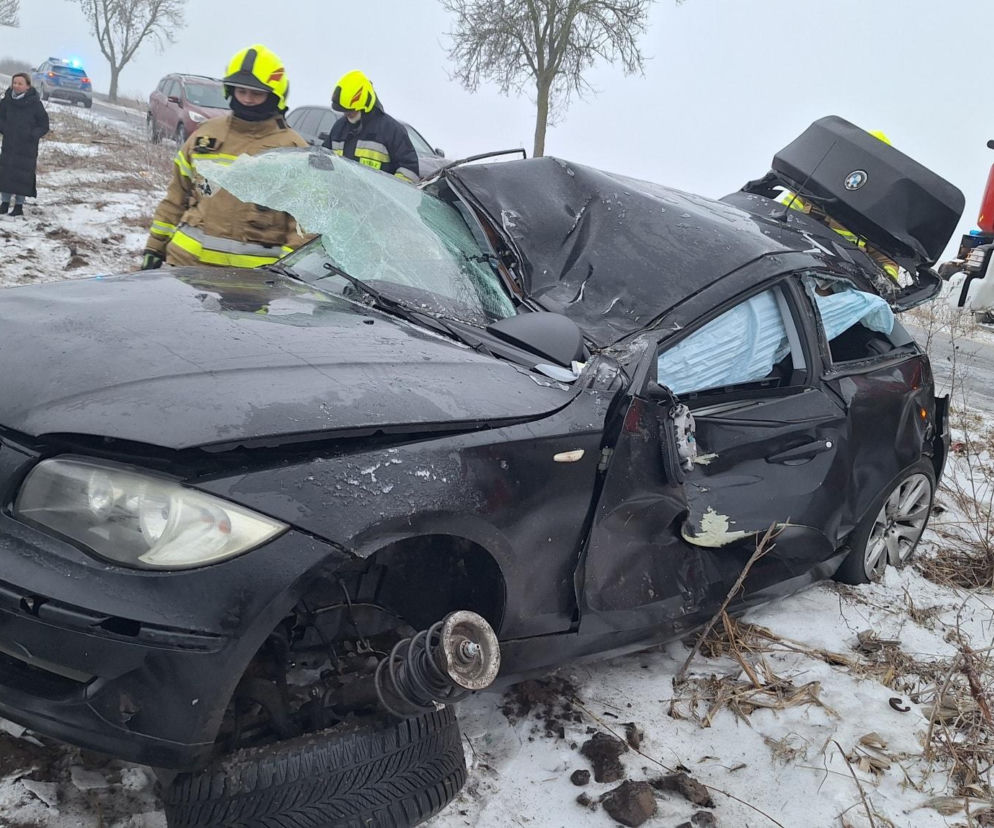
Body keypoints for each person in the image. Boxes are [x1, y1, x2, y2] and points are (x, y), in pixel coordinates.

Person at [141, 44, 307, 270]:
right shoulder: (206, 135)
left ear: (273, 95)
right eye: (241, 91)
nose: (247, 99)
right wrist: (154, 247)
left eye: (257, 93)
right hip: (185, 269)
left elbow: (304, 224)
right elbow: (176, 197)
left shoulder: (294, 150)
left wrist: (288, 272)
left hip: (249, 285)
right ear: (231, 91)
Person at [783, 129, 900, 281]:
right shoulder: (817, 182)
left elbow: (887, 261)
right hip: (790, 258)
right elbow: (782, 211)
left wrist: (882, 285)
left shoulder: (879, 212)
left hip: (833, 279)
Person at [322, 71, 419, 183]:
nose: (346, 114)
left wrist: (390, 193)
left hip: (378, 200)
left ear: (365, 105)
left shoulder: (391, 131)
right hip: (343, 198)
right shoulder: (339, 128)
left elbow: (409, 172)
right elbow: (324, 159)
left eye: (351, 110)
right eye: (344, 111)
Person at [0, 73, 50, 218]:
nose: (16, 86)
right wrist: (5, 129)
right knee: (6, 172)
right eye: (14, 83)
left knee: (22, 175)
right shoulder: (6, 101)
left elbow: (44, 125)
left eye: (20, 83)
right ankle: (4, 203)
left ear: (27, 86)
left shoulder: (34, 104)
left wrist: (32, 134)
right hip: (9, 144)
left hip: (27, 147)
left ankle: (18, 206)